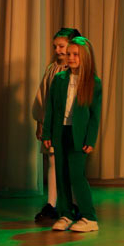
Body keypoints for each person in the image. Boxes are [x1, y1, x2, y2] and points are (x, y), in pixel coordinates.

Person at [43, 36, 102, 233]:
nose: (71, 58)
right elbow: (51, 109)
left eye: (76, 54)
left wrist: (90, 139)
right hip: (61, 132)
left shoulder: (93, 83)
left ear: (85, 57)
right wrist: (47, 133)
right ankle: (66, 214)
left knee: (77, 176)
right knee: (61, 175)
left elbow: (94, 115)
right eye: (69, 54)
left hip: (79, 135)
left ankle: (89, 217)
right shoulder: (59, 79)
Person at [32, 27, 81, 222]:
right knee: (53, 161)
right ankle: (52, 204)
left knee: (71, 164)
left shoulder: (78, 71)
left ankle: (73, 203)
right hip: (54, 125)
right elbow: (43, 97)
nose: (58, 50)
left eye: (62, 46)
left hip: (71, 124)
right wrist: (41, 122)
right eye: (55, 47)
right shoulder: (52, 69)